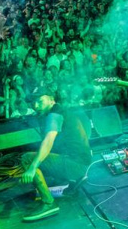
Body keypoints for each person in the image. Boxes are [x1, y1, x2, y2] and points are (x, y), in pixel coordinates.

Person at [19, 92, 92, 222]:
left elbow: (48, 141)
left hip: (76, 165)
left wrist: (31, 168)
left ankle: (48, 204)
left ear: (52, 100)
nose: (36, 106)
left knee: (27, 158)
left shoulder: (54, 115)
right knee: (42, 156)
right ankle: (71, 181)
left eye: (40, 101)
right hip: (81, 162)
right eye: (33, 103)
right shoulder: (63, 111)